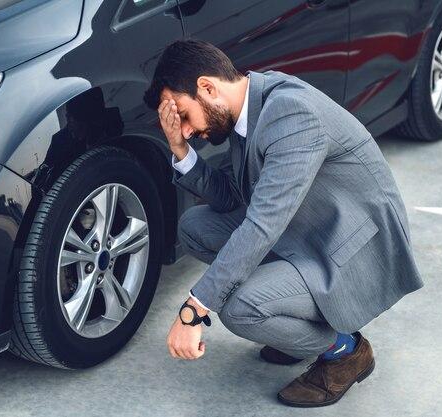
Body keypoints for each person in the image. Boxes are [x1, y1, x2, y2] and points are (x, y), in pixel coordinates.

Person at [142, 39, 423, 408]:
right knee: (196, 226)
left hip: (348, 252)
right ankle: (289, 320)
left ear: (208, 87)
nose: (188, 129)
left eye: (185, 115)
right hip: (305, 232)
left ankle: (346, 350)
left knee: (240, 308)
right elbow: (233, 198)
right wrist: (180, 149)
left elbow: (261, 226)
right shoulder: (248, 108)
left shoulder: (290, 114)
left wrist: (194, 309)